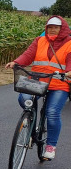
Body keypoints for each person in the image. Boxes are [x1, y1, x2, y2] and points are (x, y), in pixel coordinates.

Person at [5, 15, 71, 160]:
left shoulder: (69, 43)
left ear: (63, 29)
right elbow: (28, 55)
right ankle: (32, 123)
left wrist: (68, 72)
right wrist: (16, 62)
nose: (52, 30)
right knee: (25, 99)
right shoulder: (40, 40)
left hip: (58, 83)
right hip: (37, 81)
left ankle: (50, 146)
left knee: (52, 112)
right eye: (50, 27)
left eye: (56, 27)